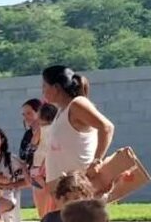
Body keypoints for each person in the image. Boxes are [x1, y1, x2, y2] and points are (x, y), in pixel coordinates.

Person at [42, 65, 115, 201]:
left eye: (44, 86)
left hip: (79, 190)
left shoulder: (77, 104)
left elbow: (107, 127)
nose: (43, 91)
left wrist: (97, 161)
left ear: (56, 87)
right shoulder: (60, 110)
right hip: (65, 192)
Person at [0, 126, 28, 214]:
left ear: (2, 140)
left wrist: (11, 185)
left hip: (5, 198)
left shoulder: (11, 159)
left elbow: (27, 182)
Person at [20, 99, 50, 217]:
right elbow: (24, 157)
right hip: (35, 176)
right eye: (24, 114)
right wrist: (26, 173)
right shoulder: (27, 135)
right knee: (43, 214)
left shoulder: (50, 131)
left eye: (29, 113)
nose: (26, 117)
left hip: (50, 174)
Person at [30, 103, 60, 217]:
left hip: (38, 164)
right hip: (53, 165)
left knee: (40, 197)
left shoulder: (40, 129)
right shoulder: (57, 128)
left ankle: (44, 219)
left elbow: (33, 142)